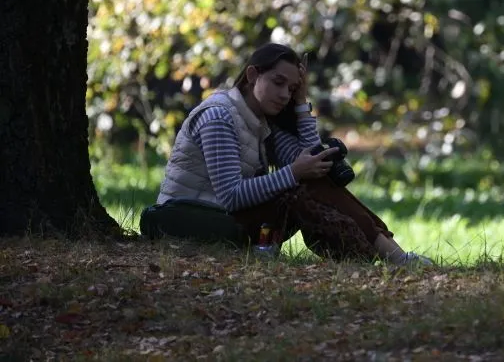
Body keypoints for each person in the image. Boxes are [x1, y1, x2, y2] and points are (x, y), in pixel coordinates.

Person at [156, 42, 432, 266]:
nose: (284, 94)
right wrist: (294, 172)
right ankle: (391, 256)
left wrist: (301, 103)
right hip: (194, 219)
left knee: (311, 180)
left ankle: (384, 255)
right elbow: (231, 196)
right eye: (278, 83)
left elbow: (314, 164)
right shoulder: (219, 117)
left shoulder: (261, 120)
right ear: (252, 76)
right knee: (300, 185)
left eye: (291, 88)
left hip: (226, 218)